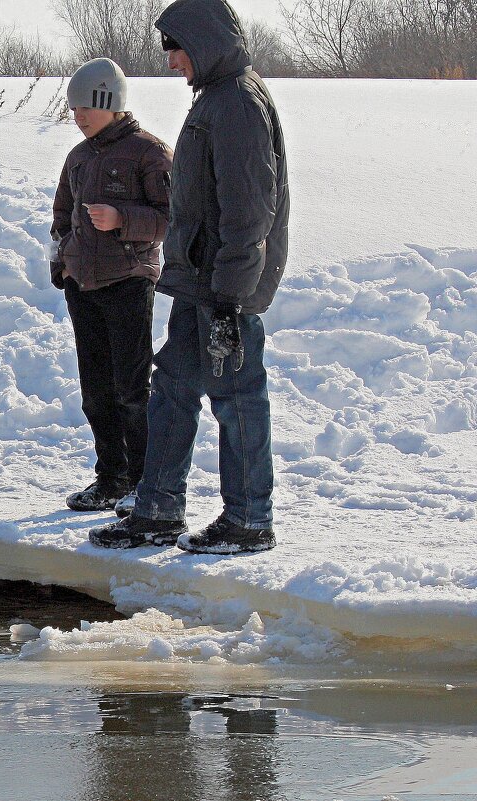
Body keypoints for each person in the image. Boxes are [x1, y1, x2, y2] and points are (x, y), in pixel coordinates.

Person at [89, 0, 289, 554]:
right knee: (173, 388)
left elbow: (250, 210)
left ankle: (250, 519)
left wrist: (230, 296)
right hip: (198, 282)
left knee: (237, 395)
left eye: (175, 50)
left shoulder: (237, 104)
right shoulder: (216, 100)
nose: (172, 62)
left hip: (226, 287)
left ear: (200, 44)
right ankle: (158, 508)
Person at [49, 58, 173, 513]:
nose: (79, 117)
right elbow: (61, 218)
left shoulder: (149, 153)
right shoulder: (78, 158)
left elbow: (173, 219)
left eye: (86, 107)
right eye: (74, 108)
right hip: (83, 285)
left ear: (111, 102)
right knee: (96, 391)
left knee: (131, 389)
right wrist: (62, 265)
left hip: (128, 282)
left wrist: (123, 220)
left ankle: (143, 482)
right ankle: (110, 477)